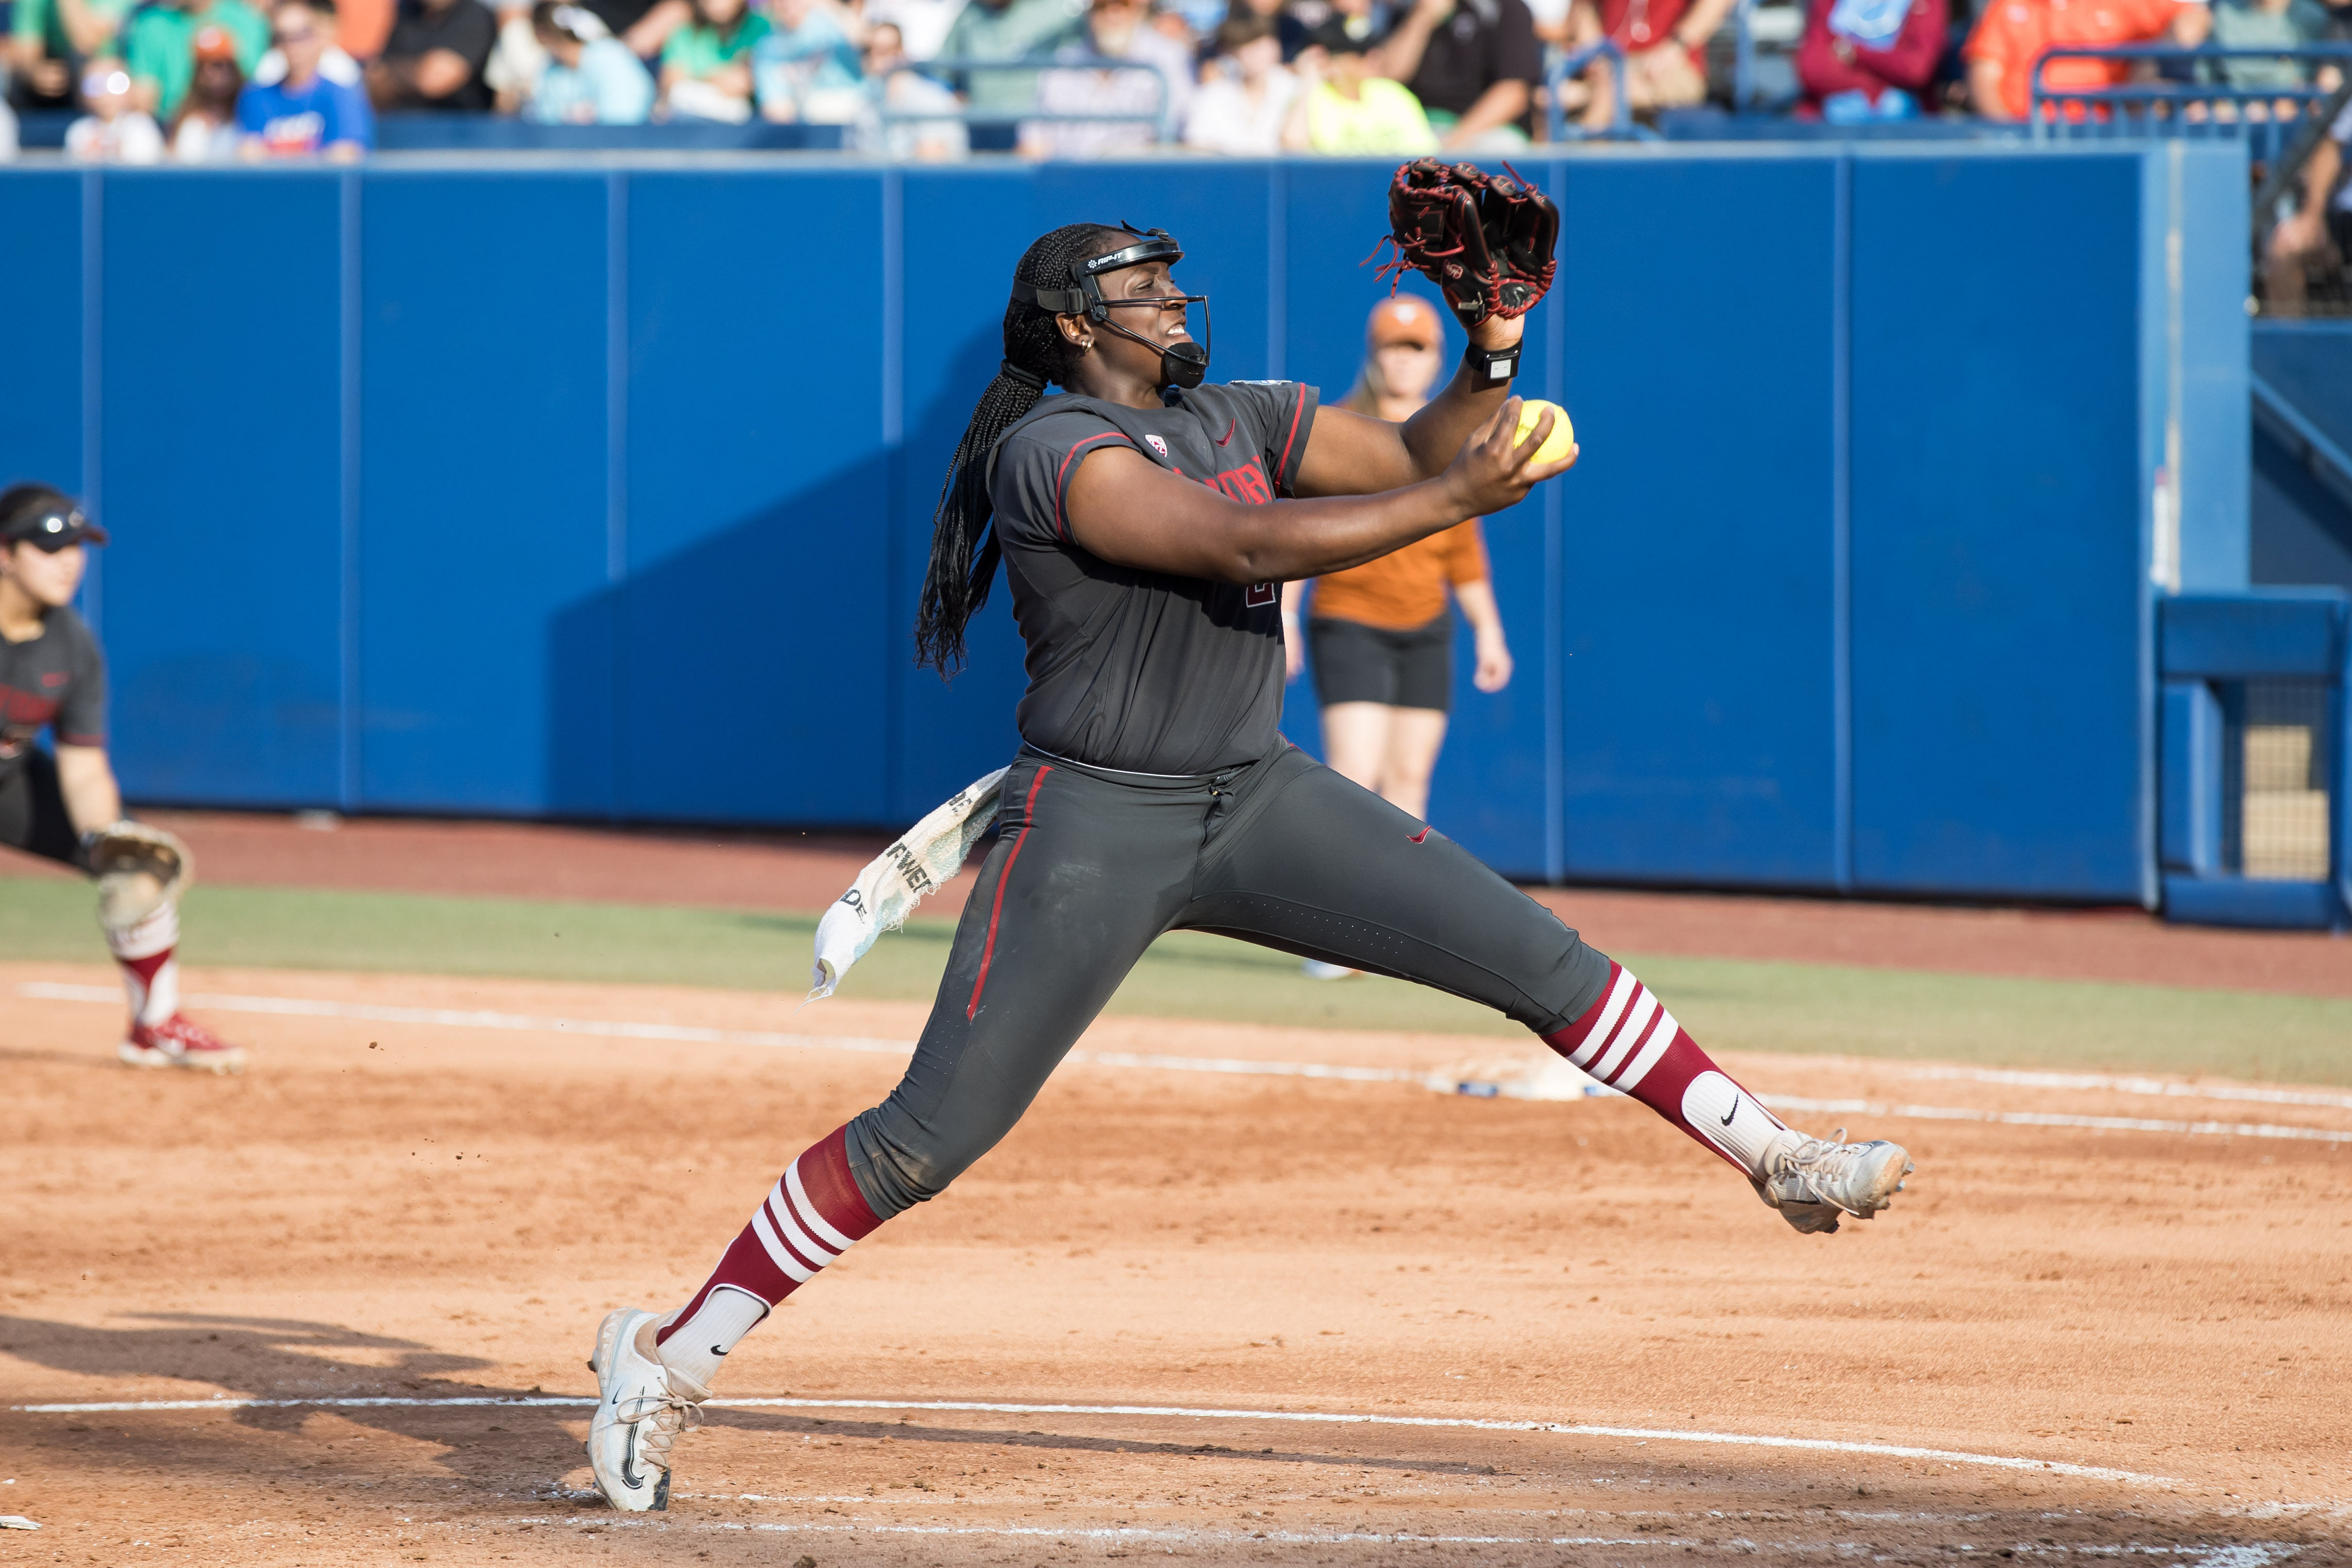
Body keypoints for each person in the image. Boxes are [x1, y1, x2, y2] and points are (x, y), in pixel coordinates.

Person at [577, 219, 1916, 1514]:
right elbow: (1236, 544)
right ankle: (666, 1358)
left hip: (1257, 792)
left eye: (1172, 281)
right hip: (1096, 820)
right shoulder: (1050, 450)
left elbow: (1404, 444)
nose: (1174, 302)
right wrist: (1453, 501)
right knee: (929, 1140)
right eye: (1144, 287)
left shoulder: (1240, 414)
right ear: (1070, 323)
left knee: (1542, 961)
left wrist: (1491, 349)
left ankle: (1774, 1152)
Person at [0, 486, 245, 1074]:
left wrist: (103, 838)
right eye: (49, 547)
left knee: (134, 861)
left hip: (8, 787)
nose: (69, 562)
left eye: (77, 548)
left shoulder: (72, 646)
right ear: (4, 554)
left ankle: (154, 1025)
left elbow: (84, 768)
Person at [1282, 292, 1510, 851]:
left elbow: (1462, 548)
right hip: (1350, 621)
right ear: (1373, 356)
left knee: (1409, 784)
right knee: (1355, 779)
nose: (1406, 361)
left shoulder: (1457, 438)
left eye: (1418, 349)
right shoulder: (1342, 430)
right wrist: (1285, 617)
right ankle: (1335, 915)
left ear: (1438, 360)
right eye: (1395, 349)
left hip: (1425, 627)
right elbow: (1303, 528)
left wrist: (1488, 629)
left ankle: (1396, 922)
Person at [1964, 0, 2209, 120]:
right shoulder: (2007, 7)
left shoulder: (2118, 4)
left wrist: (2147, 63)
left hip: (2102, 137)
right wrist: (2012, 135)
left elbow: (2192, 18)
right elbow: (1983, 77)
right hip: (2028, 137)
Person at [1019, 0, 1193, 156]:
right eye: (1102, 6)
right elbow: (1034, 142)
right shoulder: (1064, 62)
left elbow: (1180, 135)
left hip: (1139, 181)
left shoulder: (1168, 58)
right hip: (1069, 182)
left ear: (1139, 8)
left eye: (1122, 5)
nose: (1111, 14)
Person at [1379, 0, 1544, 150]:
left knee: (1502, 148)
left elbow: (1513, 94)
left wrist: (1451, 144)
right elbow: (1385, 81)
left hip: (1482, 131)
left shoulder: (1508, 9)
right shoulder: (1406, 11)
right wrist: (1422, 19)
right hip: (1416, 127)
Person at [1557, 0, 1736, 128]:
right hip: (1610, 64)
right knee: (1549, 97)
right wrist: (1596, 56)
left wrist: (1677, 46)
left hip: (1671, 66)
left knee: (1612, 91)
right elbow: (1584, 10)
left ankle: (1581, 169)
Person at [237, 0, 372, 154]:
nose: (293, 46)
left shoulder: (342, 95)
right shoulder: (256, 96)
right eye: (283, 37)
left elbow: (345, 156)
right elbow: (249, 156)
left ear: (318, 37)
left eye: (301, 35)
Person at [1281, 21, 1438, 151]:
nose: (1373, 58)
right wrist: (1309, 79)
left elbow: (1427, 151)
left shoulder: (1391, 93)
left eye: (1372, 51)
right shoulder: (1314, 98)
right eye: (1360, 55)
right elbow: (1293, 146)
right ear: (1330, 61)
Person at [932, 0, 1087, 124]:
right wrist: (953, 96)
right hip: (980, 125)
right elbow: (941, 71)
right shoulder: (969, 14)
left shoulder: (1053, 10)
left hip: (1031, 127)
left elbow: (1089, 44)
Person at [2265, 97, 2350, 310]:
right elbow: (2331, 144)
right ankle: (2291, 342)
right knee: (2286, 245)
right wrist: (2313, 217)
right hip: (2345, 219)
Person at [1794, 0, 1946, 118]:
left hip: (1907, 126)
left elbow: (1917, 70)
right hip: (1829, 128)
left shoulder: (1925, 4)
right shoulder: (1829, 4)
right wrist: (1888, 79)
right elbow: (1813, 70)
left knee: (1893, 104)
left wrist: (1855, 54)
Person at [121, 0, 267, 119]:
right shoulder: (151, 25)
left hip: (236, 120)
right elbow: (143, 98)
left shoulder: (247, 21)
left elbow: (255, 87)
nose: (209, 72)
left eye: (217, 65)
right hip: (172, 124)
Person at [1182, 10, 1298, 152]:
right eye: (1247, 47)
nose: (1256, 55)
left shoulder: (1295, 89)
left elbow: (1296, 146)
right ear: (1232, 53)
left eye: (1261, 45)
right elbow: (1197, 147)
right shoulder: (1211, 97)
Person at [853, 17, 970, 155]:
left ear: (902, 54)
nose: (874, 60)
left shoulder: (929, 99)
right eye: (866, 51)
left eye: (883, 51)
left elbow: (933, 161)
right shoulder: (867, 104)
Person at [525, 0, 652, 116]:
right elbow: (546, 119)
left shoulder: (610, 58)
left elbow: (623, 120)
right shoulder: (552, 70)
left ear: (540, 34)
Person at [9, 0, 144, 109]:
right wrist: (35, 73)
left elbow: (86, 42)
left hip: (107, 76)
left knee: (82, 63)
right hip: (56, 74)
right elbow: (26, 52)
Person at [366, 0, 497, 110]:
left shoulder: (475, 15)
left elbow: (434, 80)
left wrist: (390, 74)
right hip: (399, 124)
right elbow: (374, 79)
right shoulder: (406, 11)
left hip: (457, 130)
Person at [750, 0, 861, 121]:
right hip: (807, 127)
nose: (787, 3)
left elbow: (867, 41)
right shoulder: (767, 47)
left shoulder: (834, 24)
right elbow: (776, 109)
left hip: (855, 112)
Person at [658, 0, 764, 119]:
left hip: (748, 127)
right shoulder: (685, 33)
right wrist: (715, 80)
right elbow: (672, 84)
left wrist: (697, 81)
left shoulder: (761, 26)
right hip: (690, 121)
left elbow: (742, 82)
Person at [169, 23, 246, 158]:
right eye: (203, 65)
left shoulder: (248, 106)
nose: (209, 72)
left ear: (232, 67)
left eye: (217, 64)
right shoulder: (185, 115)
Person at [66, 56, 166, 157]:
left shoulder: (141, 126)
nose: (105, 95)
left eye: (116, 83)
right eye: (95, 85)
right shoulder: (80, 130)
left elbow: (146, 166)